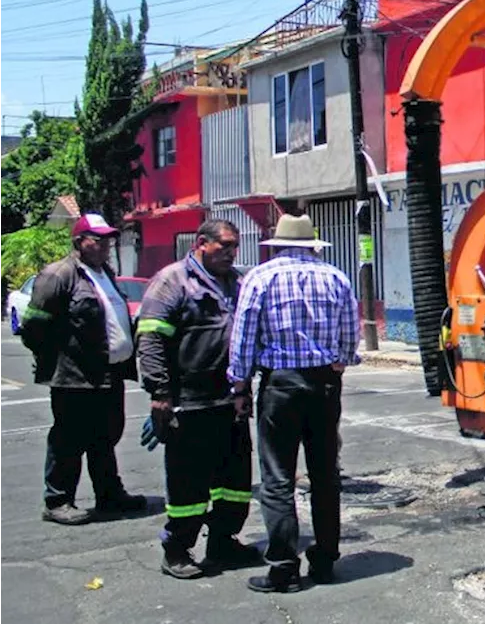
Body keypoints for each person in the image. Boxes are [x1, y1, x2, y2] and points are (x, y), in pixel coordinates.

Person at [228, 213, 360, 593]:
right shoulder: (336, 278)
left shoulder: (260, 277)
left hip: (280, 388)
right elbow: (349, 339)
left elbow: (243, 339)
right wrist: (339, 360)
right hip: (323, 386)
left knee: (277, 479)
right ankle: (325, 561)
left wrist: (239, 385)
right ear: (312, 244)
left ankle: (283, 568)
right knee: (324, 475)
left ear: (279, 242)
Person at [136, 219, 263, 579]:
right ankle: (177, 549)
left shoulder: (237, 282)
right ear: (200, 243)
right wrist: (159, 393)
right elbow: (151, 340)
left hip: (231, 400)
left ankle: (223, 542)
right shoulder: (172, 281)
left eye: (234, 246)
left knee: (235, 481)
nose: (230, 253)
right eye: (223, 245)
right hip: (188, 402)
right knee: (188, 483)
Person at [22, 213, 147, 525]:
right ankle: (58, 500)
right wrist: (56, 358)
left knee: (105, 437)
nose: (106, 244)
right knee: (69, 438)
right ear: (79, 242)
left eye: (108, 238)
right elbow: (34, 326)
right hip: (75, 377)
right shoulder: (59, 274)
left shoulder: (104, 271)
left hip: (109, 374)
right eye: (98, 238)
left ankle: (109, 494)